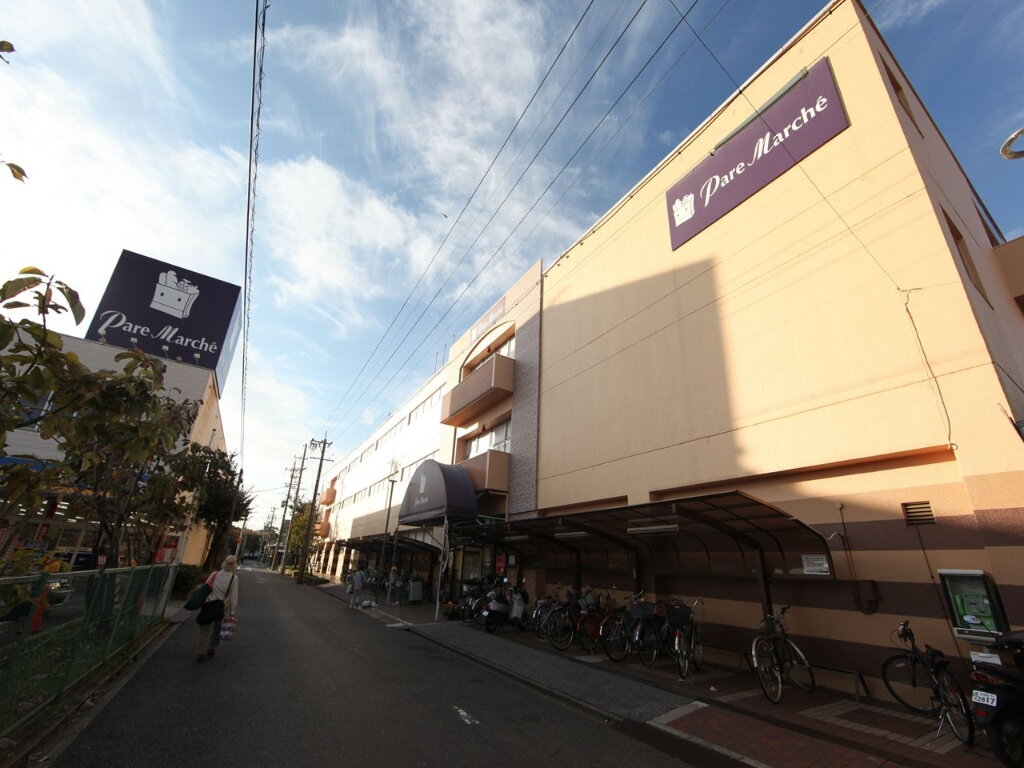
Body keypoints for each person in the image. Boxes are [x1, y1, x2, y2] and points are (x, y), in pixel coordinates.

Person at [197, 555, 239, 662]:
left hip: (208, 603)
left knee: (205, 628)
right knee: (217, 627)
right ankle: (211, 647)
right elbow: (233, 597)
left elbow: (206, 587)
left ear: (224, 563)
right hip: (220, 606)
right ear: (234, 565)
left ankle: (201, 652)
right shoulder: (233, 578)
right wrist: (232, 612)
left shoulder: (214, 574)